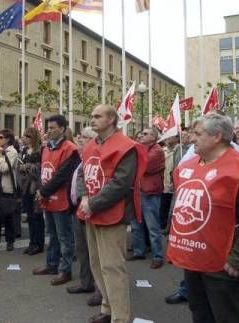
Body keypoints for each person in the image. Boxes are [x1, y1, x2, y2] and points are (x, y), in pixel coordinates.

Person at [167, 113, 239, 323]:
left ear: (217, 137)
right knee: (199, 312)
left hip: (223, 264)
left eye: (198, 134)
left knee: (226, 317)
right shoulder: (189, 165)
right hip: (194, 258)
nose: (191, 138)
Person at [76, 105, 145, 323]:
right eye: (92, 115)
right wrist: (84, 197)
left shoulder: (126, 147)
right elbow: (84, 175)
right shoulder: (89, 146)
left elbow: (121, 183)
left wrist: (93, 203)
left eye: (98, 116)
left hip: (111, 214)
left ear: (112, 120)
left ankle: (120, 318)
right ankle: (107, 309)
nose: (92, 119)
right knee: (97, 265)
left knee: (113, 268)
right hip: (91, 211)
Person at [33, 114, 79, 286]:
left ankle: (65, 270)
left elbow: (62, 175)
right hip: (48, 198)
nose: (49, 131)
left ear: (63, 129)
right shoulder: (46, 148)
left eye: (53, 128)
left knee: (64, 237)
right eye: (48, 128)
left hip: (61, 199)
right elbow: (43, 171)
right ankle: (51, 265)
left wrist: (43, 191)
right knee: (52, 235)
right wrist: (41, 189)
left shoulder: (70, 149)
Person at [67, 128, 102, 306]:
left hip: (91, 210)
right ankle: (85, 282)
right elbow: (78, 180)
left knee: (95, 254)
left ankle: (100, 290)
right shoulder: (81, 158)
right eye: (80, 137)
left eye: (85, 137)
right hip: (78, 209)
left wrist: (87, 200)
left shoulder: (97, 157)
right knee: (82, 251)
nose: (80, 139)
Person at [130, 127, 165, 268]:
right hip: (138, 191)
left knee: (153, 227)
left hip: (149, 193)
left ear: (153, 137)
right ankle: (139, 251)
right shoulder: (142, 149)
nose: (141, 136)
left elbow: (144, 166)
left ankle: (158, 256)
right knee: (136, 224)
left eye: (145, 134)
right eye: (141, 134)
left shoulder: (157, 151)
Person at [20, 127, 45, 255]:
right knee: (30, 215)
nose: (24, 138)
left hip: (35, 186)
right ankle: (32, 242)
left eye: (27, 136)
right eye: (24, 136)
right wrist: (22, 167)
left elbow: (43, 166)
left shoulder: (41, 149)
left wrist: (30, 166)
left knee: (37, 216)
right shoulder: (24, 150)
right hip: (26, 185)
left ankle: (38, 243)